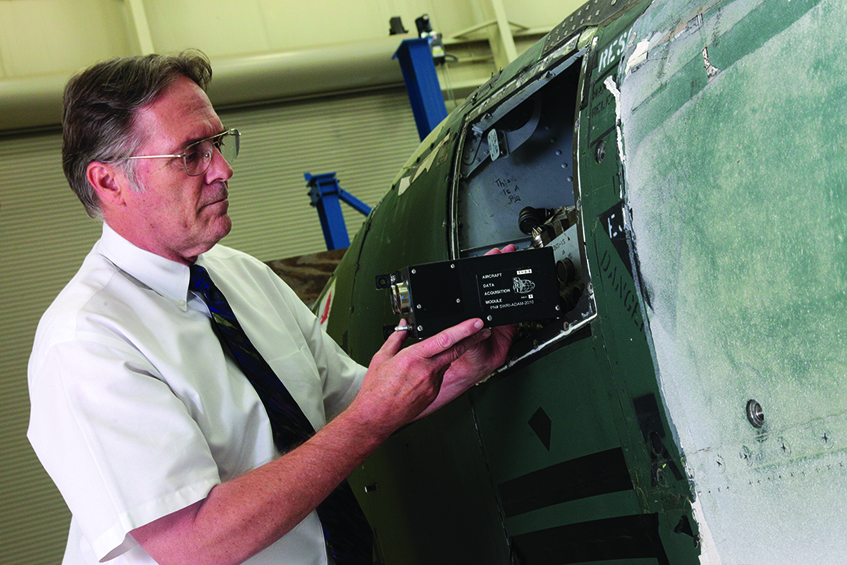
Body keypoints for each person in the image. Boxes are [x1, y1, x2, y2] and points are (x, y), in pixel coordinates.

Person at [27, 50, 515, 565]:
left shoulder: (241, 276)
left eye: (217, 142)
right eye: (191, 153)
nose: (223, 169)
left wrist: (454, 371)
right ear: (110, 182)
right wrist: (371, 417)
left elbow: (343, 408)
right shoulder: (86, 340)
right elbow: (193, 541)